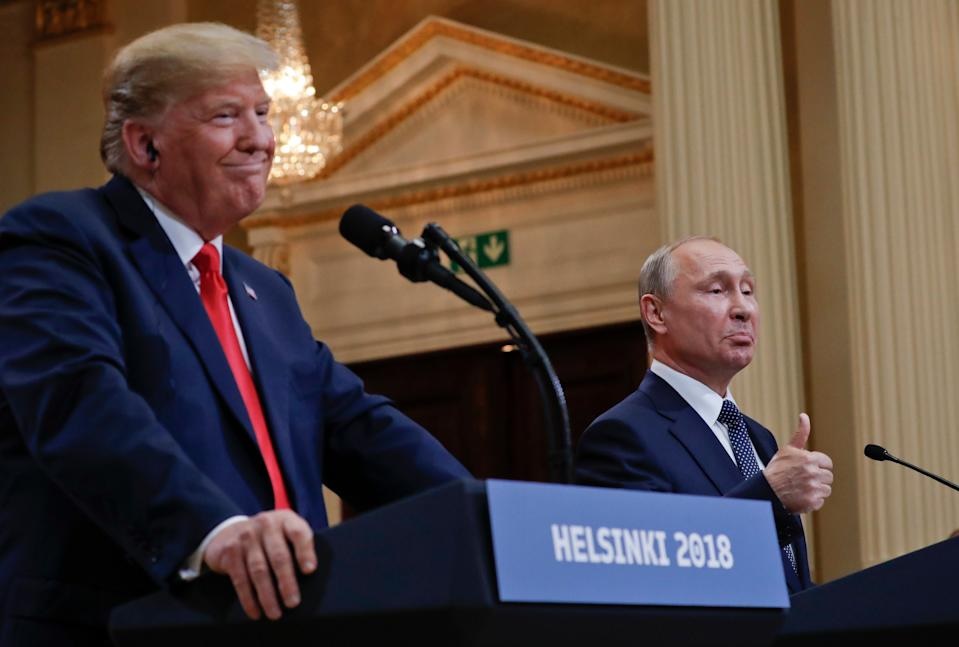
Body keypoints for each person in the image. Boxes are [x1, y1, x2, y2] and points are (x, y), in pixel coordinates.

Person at [0, 22, 470, 644]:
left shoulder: (264, 290)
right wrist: (214, 532)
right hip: (120, 625)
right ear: (145, 144)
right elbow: (81, 405)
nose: (260, 139)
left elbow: (356, 426)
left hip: (278, 621)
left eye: (262, 113)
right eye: (226, 116)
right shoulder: (60, 238)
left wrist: (487, 514)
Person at [574, 236, 833, 593]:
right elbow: (650, 571)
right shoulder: (621, 436)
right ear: (656, 313)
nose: (743, 309)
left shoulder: (758, 436)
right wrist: (769, 496)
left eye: (748, 290)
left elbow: (782, 583)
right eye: (717, 290)